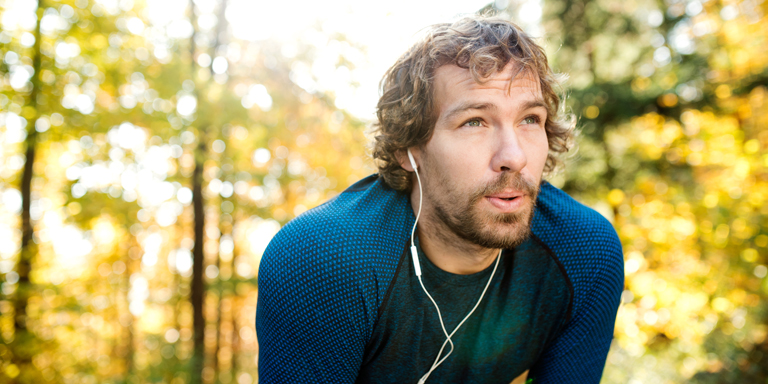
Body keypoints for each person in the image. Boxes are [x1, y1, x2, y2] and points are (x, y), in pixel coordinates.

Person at [256, 15, 624, 384]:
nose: (514, 157)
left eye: (530, 119)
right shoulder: (323, 260)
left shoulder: (585, 254)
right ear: (410, 149)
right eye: (475, 122)